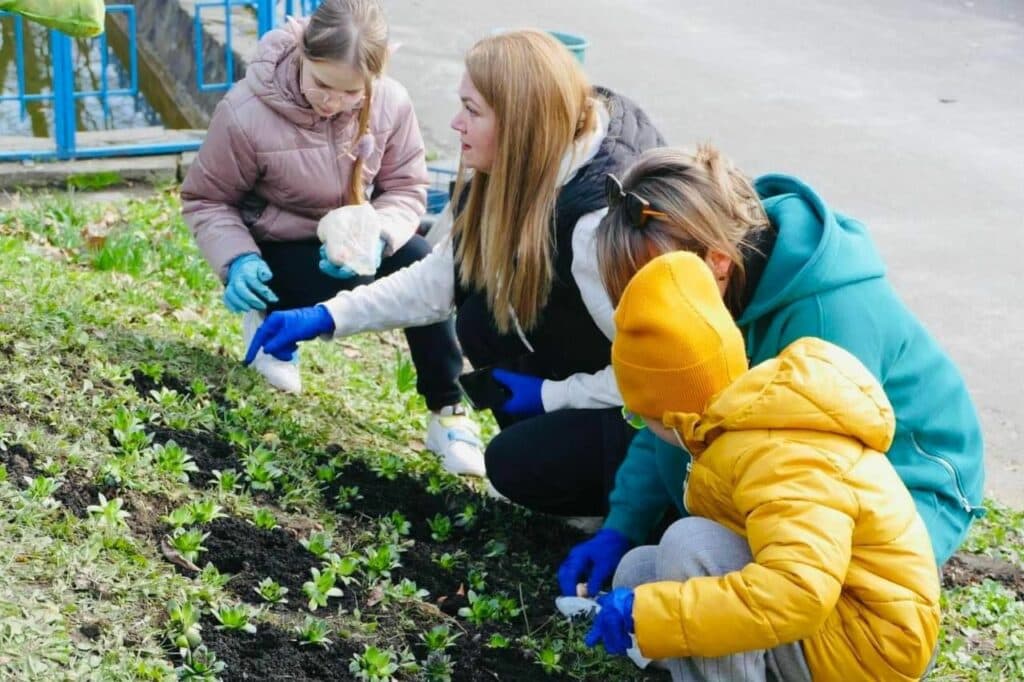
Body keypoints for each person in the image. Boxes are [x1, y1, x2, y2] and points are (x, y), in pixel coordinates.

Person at [243, 29, 665, 510]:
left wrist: (552, 395)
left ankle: (621, 509)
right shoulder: (525, 159)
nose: (455, 123)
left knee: (511, 467)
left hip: (651, 419)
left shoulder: (596, 227)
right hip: (590, 369)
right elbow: (442, 278)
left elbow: (660, 375)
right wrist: (325, 317)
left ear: (521, 123)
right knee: (480, 317)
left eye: (473, 111)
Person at [558, 145, 984, 599]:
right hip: (791, 457)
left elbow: (825, 482)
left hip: (913, 474)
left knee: (839, 592)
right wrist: (621, 527)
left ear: (717, 262)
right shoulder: (704, 283)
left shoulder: (827, 319)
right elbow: (668, 410)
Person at [583, 250, 940, 682]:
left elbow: (799, 593)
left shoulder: (780, 451)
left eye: (640, 417)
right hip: (827, 626)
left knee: (691, 545)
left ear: (672, 415)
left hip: (866, 648)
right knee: (640, 573)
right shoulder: (736, 428)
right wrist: (648, 612)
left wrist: (657, 617)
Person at [180, 0, 483, 475]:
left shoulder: (391, 103)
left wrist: (376, 237)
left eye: (350, 94)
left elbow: (406, 187)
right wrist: (238, 260)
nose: (331, 102)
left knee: (424, 262)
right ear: (301, 51)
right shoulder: (245, 111)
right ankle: (272, 325)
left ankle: (448, 411)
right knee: (272, 276)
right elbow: (208, 198)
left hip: (355, 247)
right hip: (279, 251)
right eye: (321, 84)